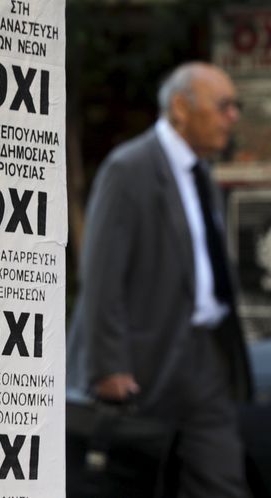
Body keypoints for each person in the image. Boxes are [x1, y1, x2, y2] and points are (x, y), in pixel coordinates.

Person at [67, 62, 253, 497]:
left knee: (221, 478)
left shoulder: (201, 174)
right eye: (224, 105)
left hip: (205, 355)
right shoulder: (129, 169)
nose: (233, 117)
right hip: (145, 361)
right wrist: (108, 365)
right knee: (140, 480)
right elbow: (102, 274)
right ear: (180, 108)